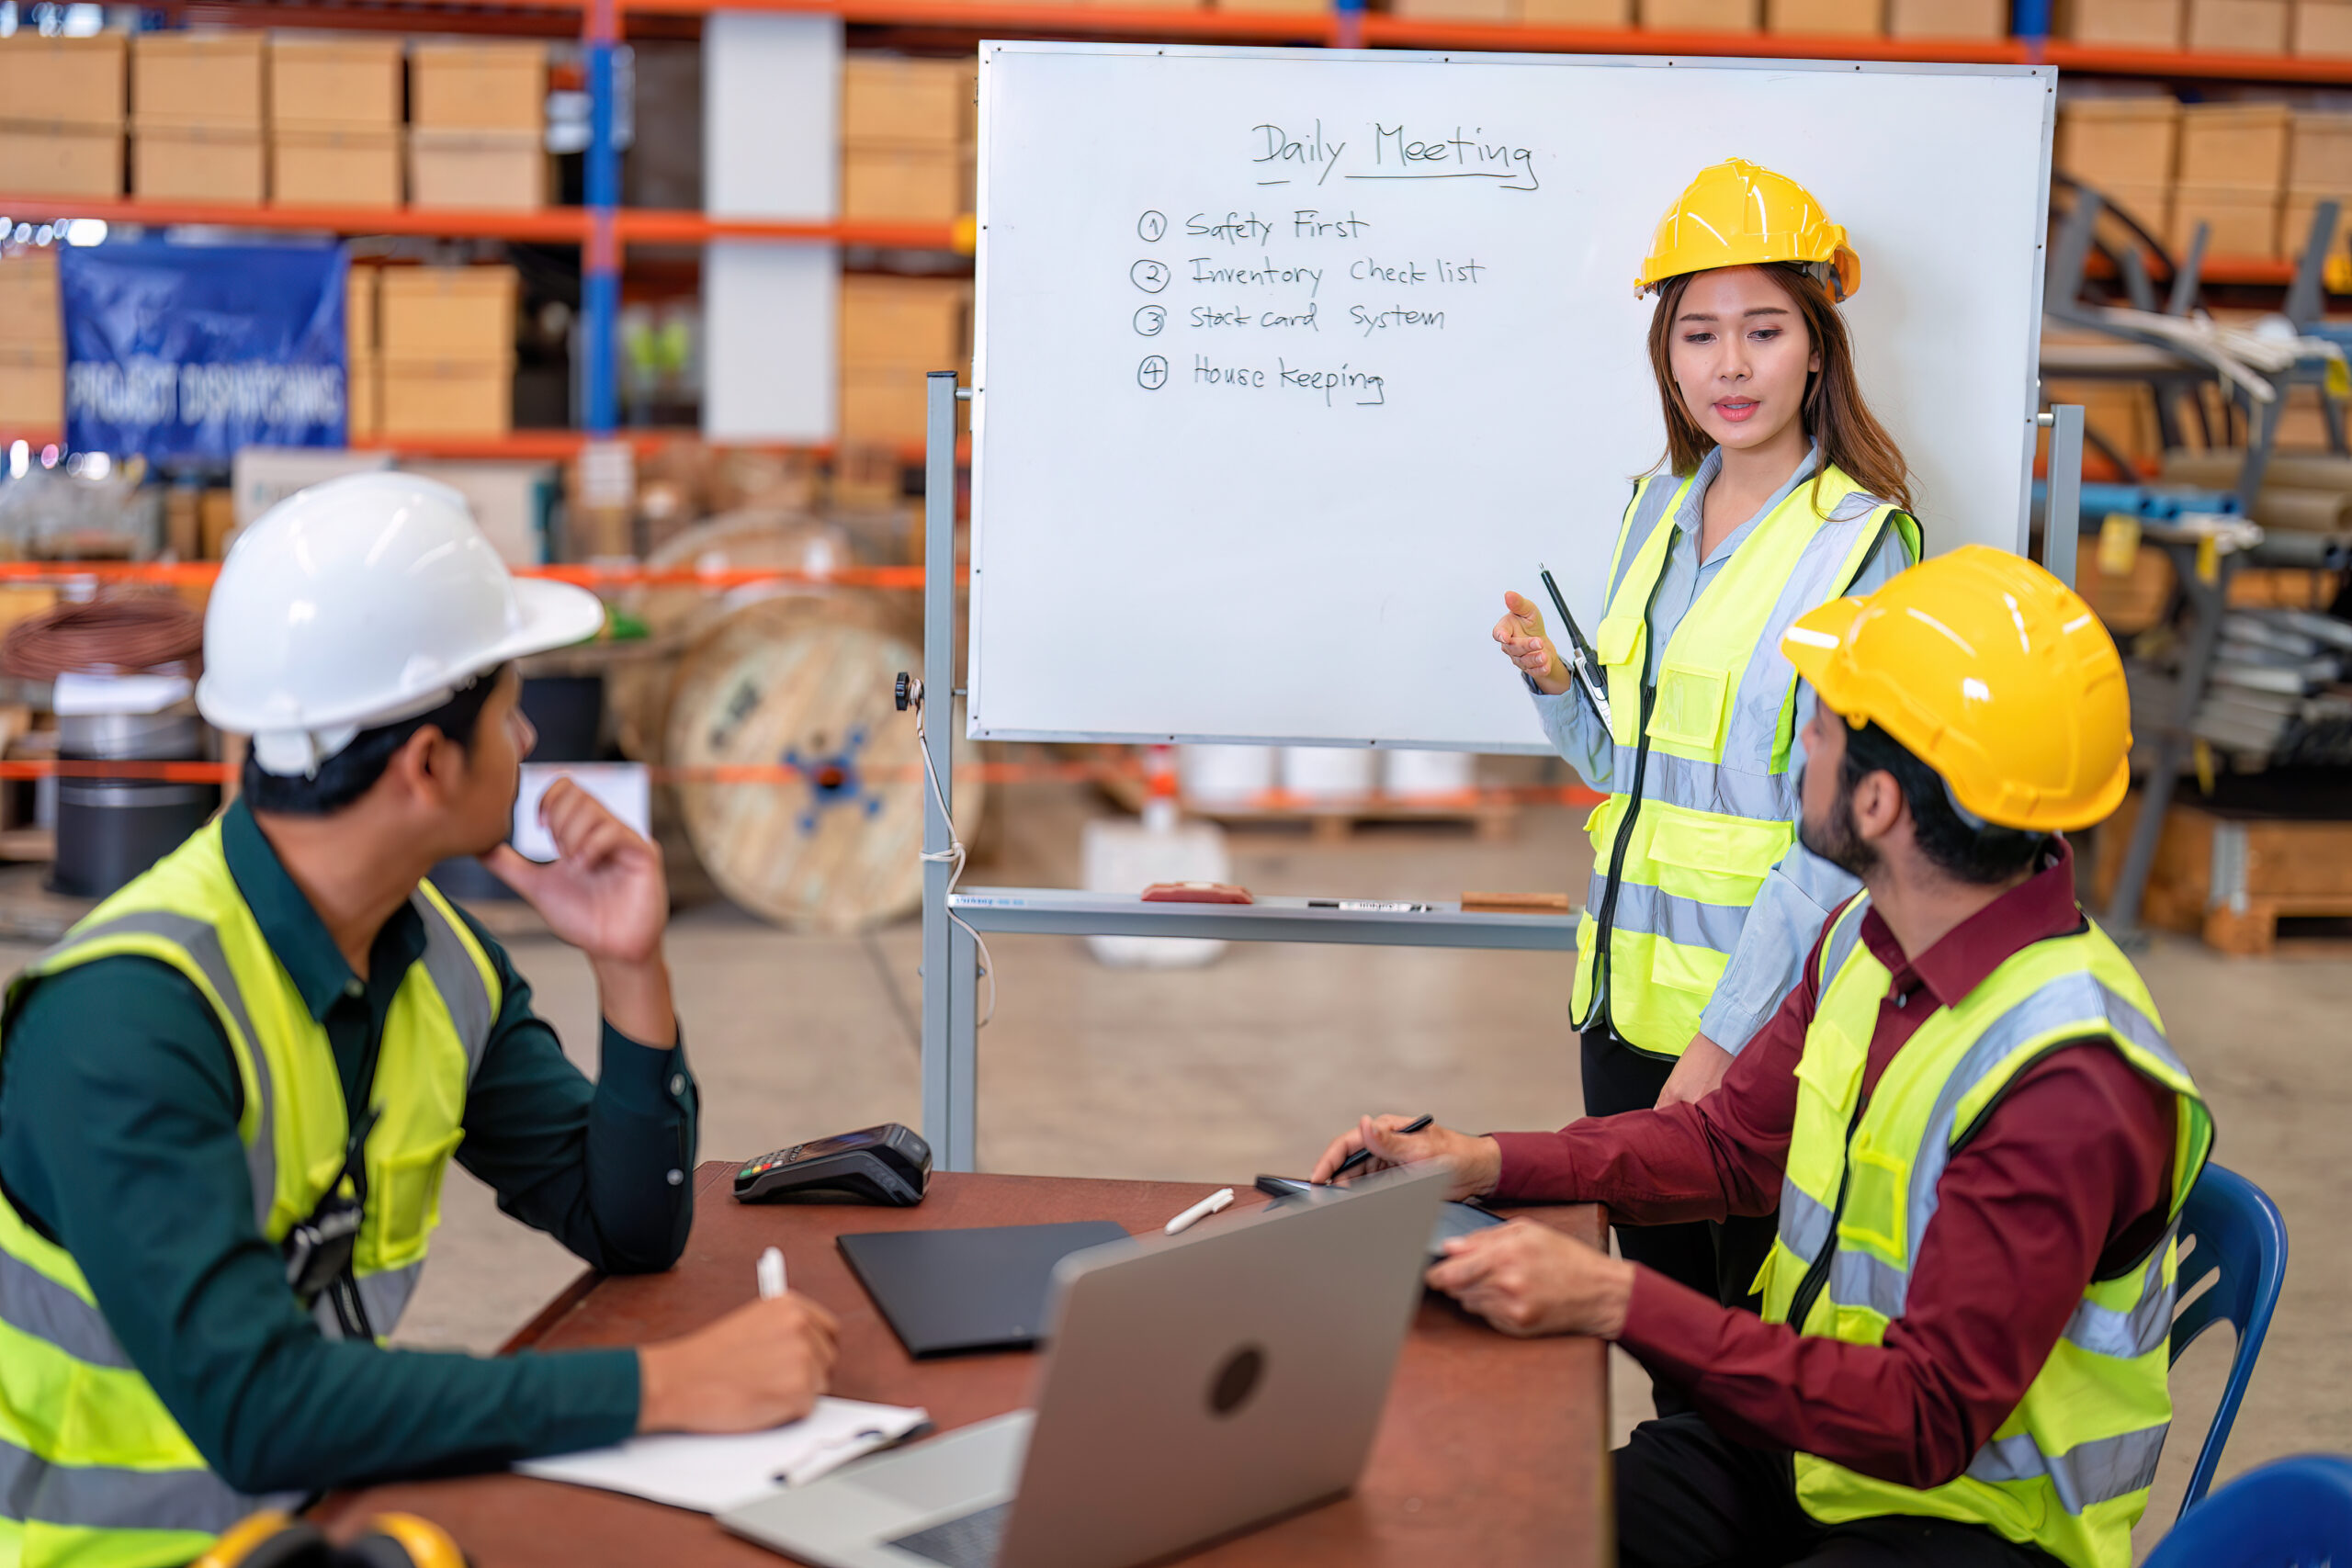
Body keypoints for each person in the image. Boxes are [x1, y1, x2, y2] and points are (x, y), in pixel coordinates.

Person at [0, 473, 839, 1568]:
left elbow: (627, 1227)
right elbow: (260, 1411)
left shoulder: (436, 957)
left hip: (316, 1526)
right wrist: (668, 1386)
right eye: (508, 709)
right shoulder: (127, 1023)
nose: (531, 734)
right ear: (428, 764)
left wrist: (628, 966)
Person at [1327, 547, 2212, 1568]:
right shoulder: (1862, 939)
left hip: (1966, 1523)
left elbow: (1927, 1419)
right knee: (1510, 1533)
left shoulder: (2068, 1082)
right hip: (1799, 1447)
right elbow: (1730, 1148)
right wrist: (1484, 1161)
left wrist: (1618, 1300)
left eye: (1819, 730)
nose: (1799, 756)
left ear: (1878, 804)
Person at [1492, 160, 1923, 1332]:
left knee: (1739, 1345)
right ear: (1666, 358)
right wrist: (1552, 686)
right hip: (1621, 1004)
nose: (1728, 367)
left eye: (1762, 329)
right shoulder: (1654, 510)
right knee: (1656, 1327)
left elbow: (1841, 842)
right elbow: (1625, 770)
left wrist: (1722, 1045)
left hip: (1754, 1027)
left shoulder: (1859, 550)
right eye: (1698, 336)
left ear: (1818, 347)